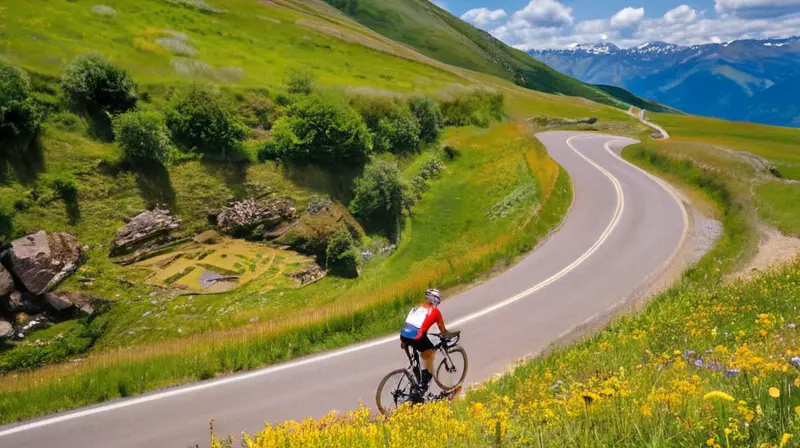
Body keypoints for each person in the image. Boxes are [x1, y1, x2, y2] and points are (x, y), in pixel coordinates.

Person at [400, 288, 450, 392]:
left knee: (417, 351)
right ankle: (424, 382)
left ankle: (416, 376)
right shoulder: (435, 311)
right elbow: (443, 331)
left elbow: (411, 324)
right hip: (416, 337)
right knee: (430, 351)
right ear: (436, 300)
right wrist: (451, 337)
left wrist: (404, 341)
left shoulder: (417, 308)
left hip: (404, 334)